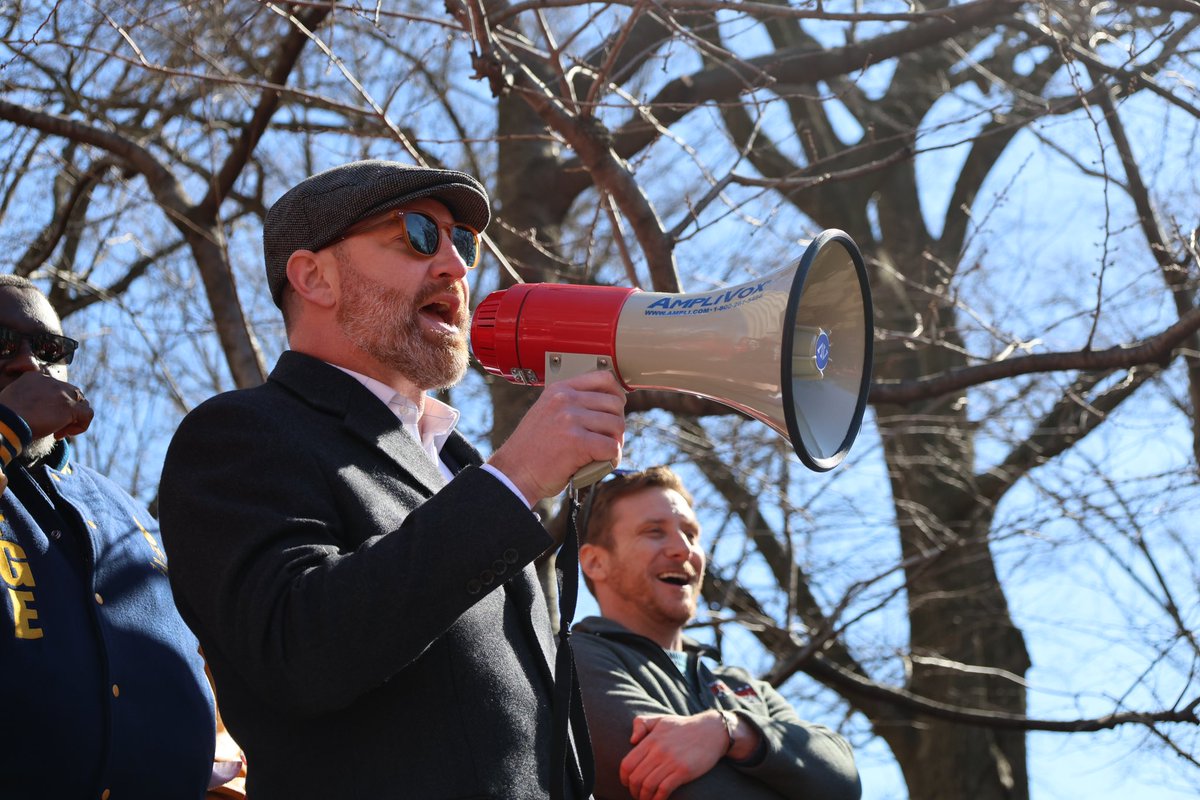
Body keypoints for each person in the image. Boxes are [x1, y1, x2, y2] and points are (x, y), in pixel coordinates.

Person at [157, 160, 627, 799]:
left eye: (462, 242)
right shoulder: (240, 434)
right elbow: (297, 649)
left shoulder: (463, 466)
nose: (457, 268)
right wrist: (515, 477)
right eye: (417, 234)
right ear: (313, 276)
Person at [0, 275, 243, 799]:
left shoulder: (134, 517)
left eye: (47, 348)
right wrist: (8, 424)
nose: (25, 363)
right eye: (1, 343)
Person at [574, 466, 862, 800]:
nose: (683, 549)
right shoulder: (574, 662)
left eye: (691, 534)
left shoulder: (741, 683)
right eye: (654, 532)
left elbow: (843, 780)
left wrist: (731, 729)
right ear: (595, 562)